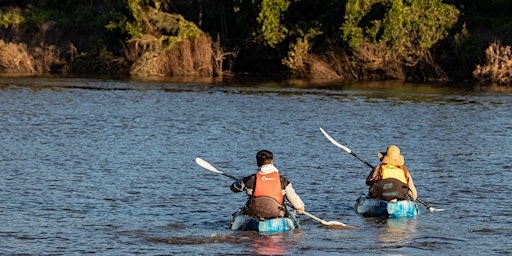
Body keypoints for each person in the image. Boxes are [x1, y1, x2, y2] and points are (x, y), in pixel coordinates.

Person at [230, 150, 305, 220]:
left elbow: (234, 188)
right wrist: (299, 208)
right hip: (276, 213)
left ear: (257, 163)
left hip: (254, 212)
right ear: (272, 162)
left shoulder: (249, 179)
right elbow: (295, 201)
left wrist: (240, 182)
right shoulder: (283, 181)